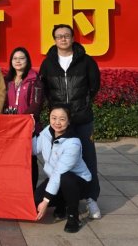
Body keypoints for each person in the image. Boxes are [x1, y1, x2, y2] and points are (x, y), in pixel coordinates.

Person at [39, 24, 102, 219]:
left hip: (82, 119)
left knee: (88, 160)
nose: (63, 39)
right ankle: (64, 202)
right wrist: (55, 110)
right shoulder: (48, 63)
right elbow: (45, 89)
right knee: (58, 162)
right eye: (59, 36)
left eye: (66, 35)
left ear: (73, 38)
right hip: (60, 121)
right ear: (54, 40)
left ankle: (91, 199)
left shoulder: (86, 61)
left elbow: (94, 86)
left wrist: (83, 105)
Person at [34, 106, 92, 233]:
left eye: (62, 119)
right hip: (56, 180)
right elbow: (34, 149)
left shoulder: (73, 143)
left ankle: (73, 217)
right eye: (53, 118)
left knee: (66, 178)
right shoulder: (47, 131)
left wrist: (46, 201)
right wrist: (30, 132)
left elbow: (58, 173)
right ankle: (61, 204)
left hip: (78, 182)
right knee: (34, 202)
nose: (57, 122)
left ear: (69, 121)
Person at [4, 47, 43, 189]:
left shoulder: (35, 80)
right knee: (12, 160)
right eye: (15, 59)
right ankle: (15, 189)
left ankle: (31, 191)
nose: (18, 61)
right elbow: (3, 102)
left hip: (27, 127)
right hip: (10, 127)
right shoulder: (7, 80)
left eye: (21, 58)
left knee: (30, 160)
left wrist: (22, 121)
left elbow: (36, 104)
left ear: (27, 61)